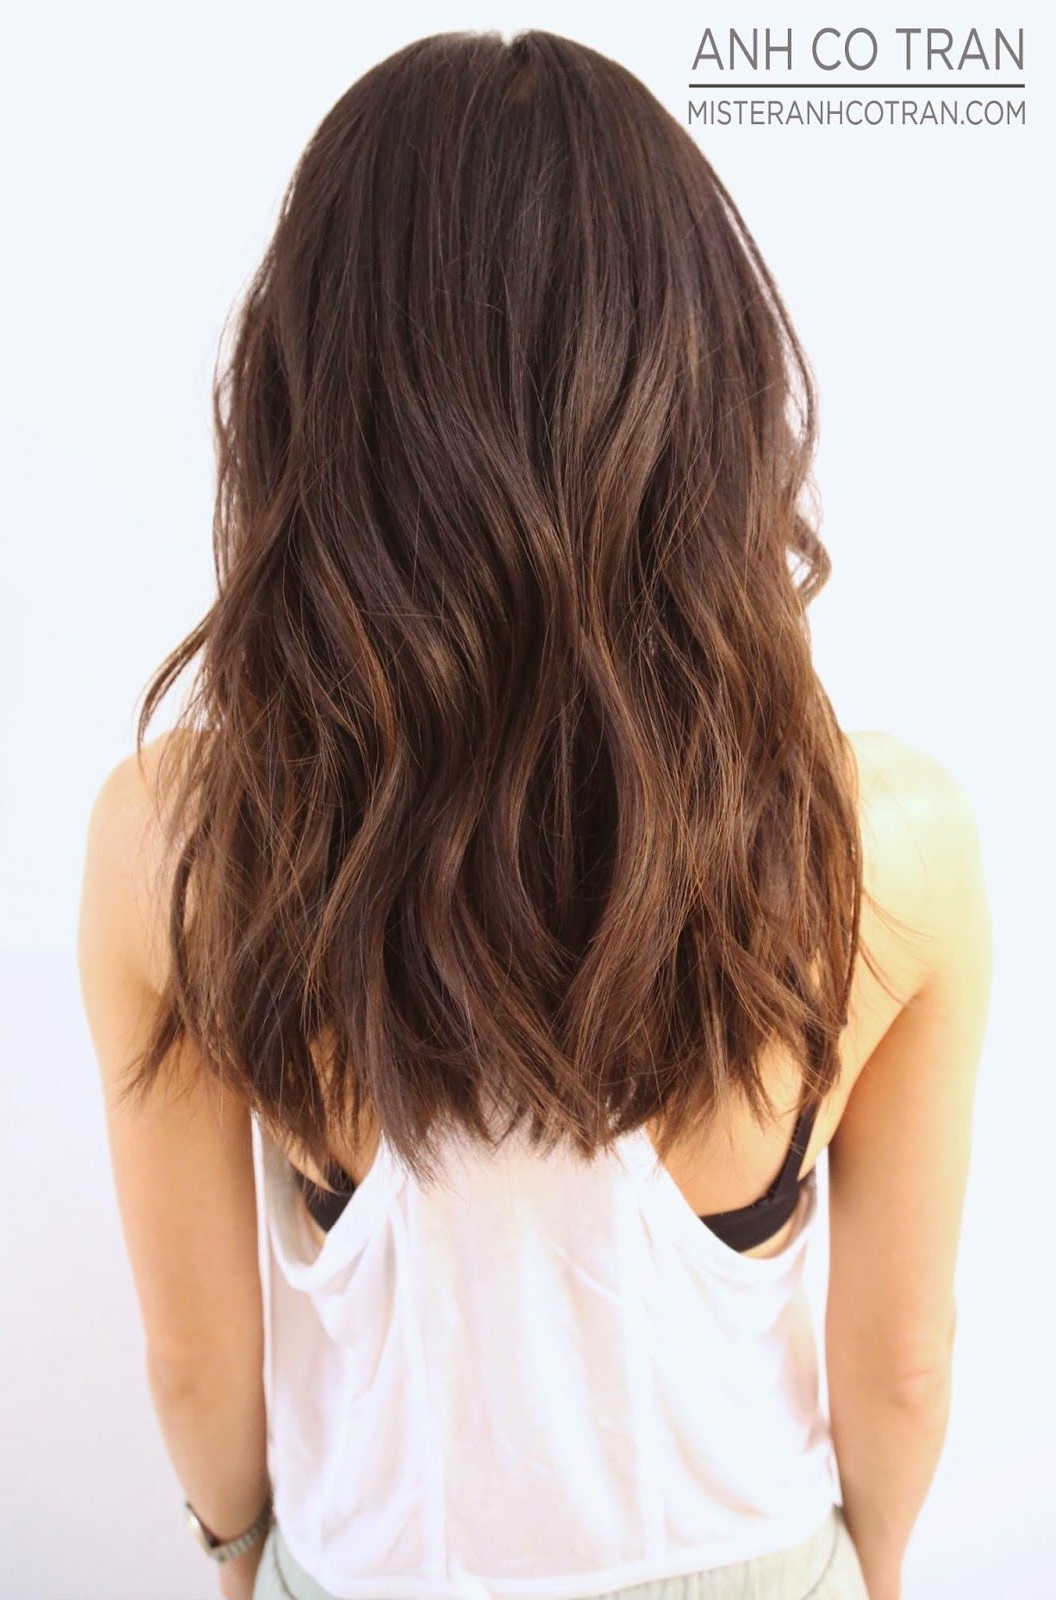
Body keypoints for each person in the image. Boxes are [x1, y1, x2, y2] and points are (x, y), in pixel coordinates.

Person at [77, 28, 991, 1600]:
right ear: (705, 386)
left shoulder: (182, 840)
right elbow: (902, 1366)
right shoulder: (885, 844)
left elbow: (192, 1364)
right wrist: (876, 1570)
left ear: (311, 395)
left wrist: (237, 1558)